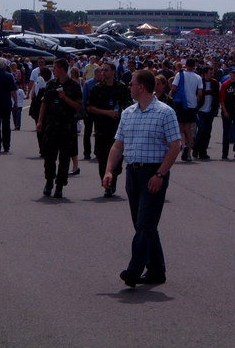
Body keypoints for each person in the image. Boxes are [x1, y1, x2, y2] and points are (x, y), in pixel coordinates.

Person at [103, 69, 181, 288]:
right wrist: (109, 170)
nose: (129, 86)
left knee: (145, 223)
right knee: (143, 225)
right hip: (133, 173)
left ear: (142, 87)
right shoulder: (128, 113)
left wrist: (160, 174)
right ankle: (156, 269)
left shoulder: (165, 112)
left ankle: (134, 270)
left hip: (153, 172)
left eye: (132, 83)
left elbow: (175, 146)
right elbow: (118, 145)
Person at [36, 58, 82, 198]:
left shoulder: (74, 85)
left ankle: (60, 185)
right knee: (49, 156)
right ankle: (49, 181)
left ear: (61, 69)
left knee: (64, 158)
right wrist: (40, 121)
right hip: (51, 126)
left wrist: (65, 98)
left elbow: (79, 106)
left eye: (55, 68)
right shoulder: (51, 84)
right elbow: (44, 103)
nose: (53, 70)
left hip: (67, 127)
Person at [87, 62, 131, 197]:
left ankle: (113, 180)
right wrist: (106, 112)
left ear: (113, 72)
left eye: (106, 70)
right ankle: (106, 182)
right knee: (102, 157)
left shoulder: (121, 88)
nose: (103, 73)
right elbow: (90, 107)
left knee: (117, 158)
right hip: (101, 128)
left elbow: (129, 107)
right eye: (102, 71)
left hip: (118, 129)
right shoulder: (97, 88)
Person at [170, 59, 203, 162]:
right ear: (194, 66)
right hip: (192, 105)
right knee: (188, 128)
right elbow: (200, 93)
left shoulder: (180, 75)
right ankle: (188, 153)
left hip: (181, 103)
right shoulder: (198, 77)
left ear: (186, 65)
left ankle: (183, 145)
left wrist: (170, 96)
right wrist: (196, 102)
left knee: (180, 127)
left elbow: (174, 87)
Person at [193, 67, 219, 160]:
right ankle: (196, 149)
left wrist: (215, 108)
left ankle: (203, 151)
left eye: (213, 73)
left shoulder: (215, 83)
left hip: (210, 110)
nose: (212, 75)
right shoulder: (199, 82)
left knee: (208, 132)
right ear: (205, 74)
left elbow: (217, 96)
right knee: (201, 130)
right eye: (210, 73)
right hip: (201, 110)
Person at [219, 67, 235, 159]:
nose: (234, 75)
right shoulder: (225, 84)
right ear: (229, 74)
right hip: (227, 110)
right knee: (226, 132)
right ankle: (224, 153)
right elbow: (221, 99)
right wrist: (224, 111)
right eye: (233, 73)